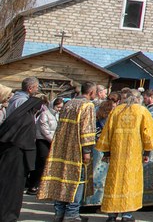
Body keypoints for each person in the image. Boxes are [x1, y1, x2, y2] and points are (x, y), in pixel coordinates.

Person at [38, 80, 99, 222]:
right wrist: (87, 151)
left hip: (62, 147)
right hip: (76, 149)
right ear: (91, 92)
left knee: (61, 179)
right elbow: (87, 129)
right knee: (78, 181)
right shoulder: (87, 105)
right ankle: (72, 214)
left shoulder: (69, 103)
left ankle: (59, 212)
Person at [95, 89, 153, 222]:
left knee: (115, 182)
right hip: (133, 155)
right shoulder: (142, 111)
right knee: (130, 183)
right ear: (138, 99)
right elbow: (148, 134)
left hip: (116, 155)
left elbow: (107, 132)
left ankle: (112, 215)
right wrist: (147, 152)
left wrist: (106, 152)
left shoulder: (117, 111)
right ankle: (127, 215)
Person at [0, 92, 44, 222]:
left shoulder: (17, 117)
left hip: (8, 157)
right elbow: (27, 143)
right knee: (13, 191)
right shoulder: (27, 120)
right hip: (18, 160)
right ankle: (8, 216)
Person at [84, 92, 121, 208]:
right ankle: (98, 200)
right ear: (118, 101)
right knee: (103, 174)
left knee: (93, 171)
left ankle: (88, 200)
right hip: (107, 147)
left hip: (96, 145)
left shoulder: (97, 109)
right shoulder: (115, 113)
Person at [26, 95, 61, 193]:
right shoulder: (45, 114)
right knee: (41, 162)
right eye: (57, 107)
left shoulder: (57, 115)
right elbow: (44, 129)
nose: (59, 109)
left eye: (60, 107)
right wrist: (52, 140)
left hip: (52, 141)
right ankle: (33, 185)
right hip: (43, 141)